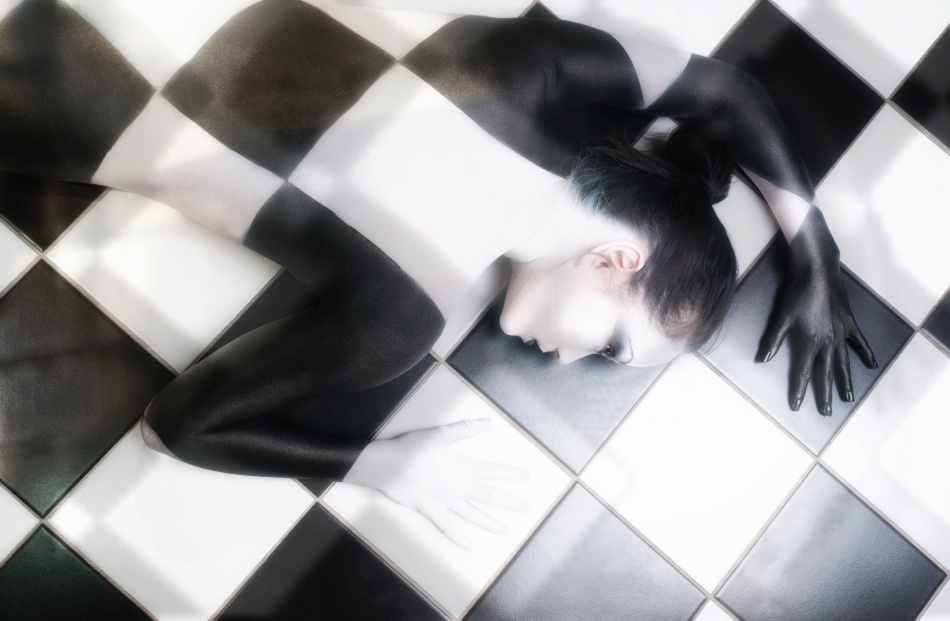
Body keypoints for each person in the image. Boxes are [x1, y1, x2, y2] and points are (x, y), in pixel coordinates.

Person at [0, 0, 874, 549]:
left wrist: (816, 253)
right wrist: (385, 467)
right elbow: (175, 427)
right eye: (609, 343)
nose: (568, 358)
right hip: (39, 89)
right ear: (616, 261)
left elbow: (726, 91)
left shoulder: (529, 70)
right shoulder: (405, 313)